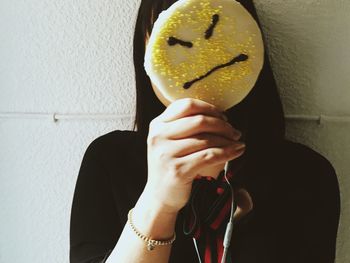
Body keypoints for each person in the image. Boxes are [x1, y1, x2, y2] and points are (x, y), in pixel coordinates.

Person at [69, 0, 340, 262]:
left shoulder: (307, 175)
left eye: (217, 32)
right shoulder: (109, 161)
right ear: (146, 51)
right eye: (173, 38)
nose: (200, 52)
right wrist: (158, 201)